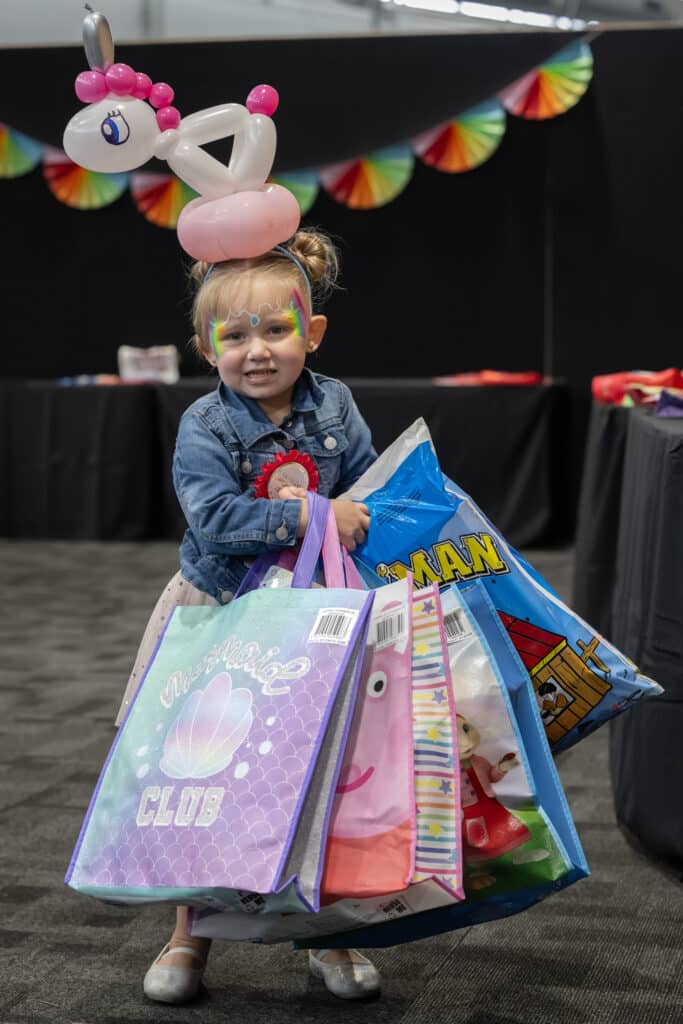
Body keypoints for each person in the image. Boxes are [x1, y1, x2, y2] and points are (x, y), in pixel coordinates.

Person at [116, 229, 381, 1005]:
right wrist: (309, 518)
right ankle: (187, 934)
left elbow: (369, 483)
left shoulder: (334, 402)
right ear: (205, 345)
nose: (256, 350)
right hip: (221, 617)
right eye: (234, 336)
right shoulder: (207, 424)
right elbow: (214, 522)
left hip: (313, 621)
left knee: (318, 776)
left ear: (312, 332)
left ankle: (325, 935)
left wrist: (367, 509)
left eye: (276, 329)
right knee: (204, 775)